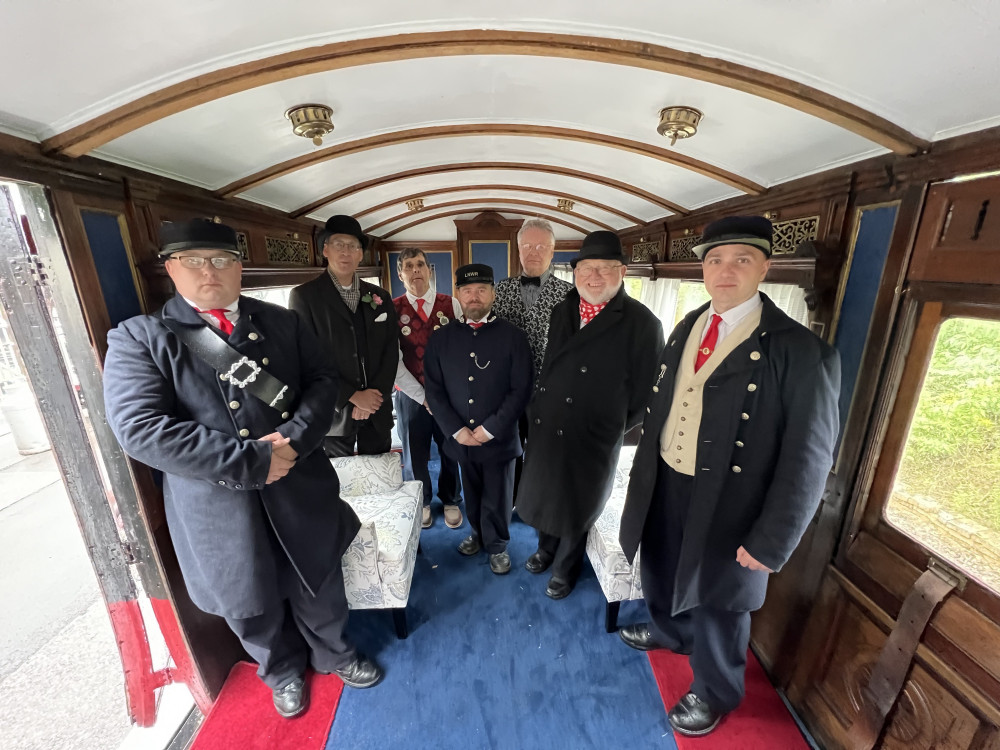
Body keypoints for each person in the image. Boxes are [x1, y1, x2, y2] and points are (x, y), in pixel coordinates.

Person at [103, 219, 383, 720]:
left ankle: (335, 653)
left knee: (318, 575)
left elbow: (321, 383)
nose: (210, 271)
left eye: (223, 260)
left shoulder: (282, 322)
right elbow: (140, 428)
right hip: (216, 502)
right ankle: (280, 672)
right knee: (245, 598)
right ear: (170, 268)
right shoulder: (141, 338)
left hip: (299, 481)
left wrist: (294, 440)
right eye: (194, 261)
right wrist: (251, 459)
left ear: (240, 268)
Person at [617, 216, 841, 737]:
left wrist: (771, 541)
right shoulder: (686, 326)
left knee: (722, 597)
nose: (726, 270)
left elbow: (809, 458)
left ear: (764, 267)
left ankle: (716, 690)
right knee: (663, 565)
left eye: (741, 259)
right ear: (702, 269)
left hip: (733, 500)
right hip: (668, 477)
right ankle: (672, 633)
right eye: (715, 260)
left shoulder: (800, 353)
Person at [515, 231, 664, 599]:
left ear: (623, 272)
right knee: (548, 491)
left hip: (594, 434)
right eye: (586, 268)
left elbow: (645, 394)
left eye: (604, 268)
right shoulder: (563, 309)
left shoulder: (643, 323)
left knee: (578, 503)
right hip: (549, 424)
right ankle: (545, 549)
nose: (593, 276)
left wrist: (609, 424)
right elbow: (551, 365)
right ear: (576, 271)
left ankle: (565, 569)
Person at [423, 264, 533, 575]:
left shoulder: (514, 337)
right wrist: (457, 431)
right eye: (468, 291)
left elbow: (520, 390)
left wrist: (489, 429)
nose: (475, 296)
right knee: (471, 491)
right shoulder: (441, 339)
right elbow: (434, 389)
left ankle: (497, 544)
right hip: (461, 438)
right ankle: (478, 533)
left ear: (492, 294)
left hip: (499, 438)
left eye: (482, 290)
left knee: (498, 494)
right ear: (458, 295)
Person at [289, 215, 397, 457]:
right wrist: (351, 397)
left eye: (352, 246)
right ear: (325, 250)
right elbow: (305, 359)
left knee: (381, 481)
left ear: (361, 254)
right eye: (338, 245)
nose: (345, 252)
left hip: (377, 410)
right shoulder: (305, 297)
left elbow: (390, 351)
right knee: (338, 485)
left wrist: (373, 398)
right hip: (334, 414)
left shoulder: (380, 297)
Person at [392, 247, 465, 529]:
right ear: (400, 274)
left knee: (450, 448)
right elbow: (394, 362)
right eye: (408, 266)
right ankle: (421, 501)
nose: (415, 271)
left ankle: (451, 499)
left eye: (420, 264)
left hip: (448, 395)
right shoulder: (393, 308)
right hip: (411, 396)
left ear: (429, 270)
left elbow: (461, 353)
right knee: (414, 452)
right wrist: (423, 398)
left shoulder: (452, 305)